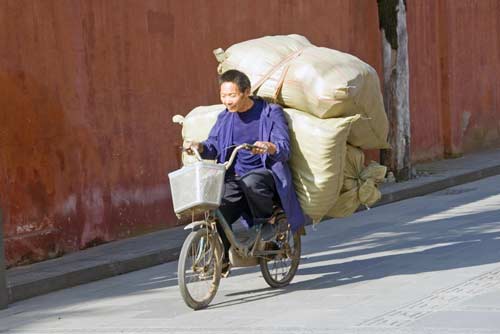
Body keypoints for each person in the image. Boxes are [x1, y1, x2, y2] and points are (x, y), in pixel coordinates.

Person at [184, 69, 305, 274]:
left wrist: (269, 146)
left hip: (265, 175)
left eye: (232, 95)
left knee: (251, 181)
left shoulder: (269, 112)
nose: (227, 101)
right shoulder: (225, 118)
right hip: (234, 177)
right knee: (218, 207)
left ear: (246, 92)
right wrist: (200, 146)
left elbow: (283, 147)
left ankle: (267, 220)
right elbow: (213, 144)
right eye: (223, 96)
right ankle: (222, 258)